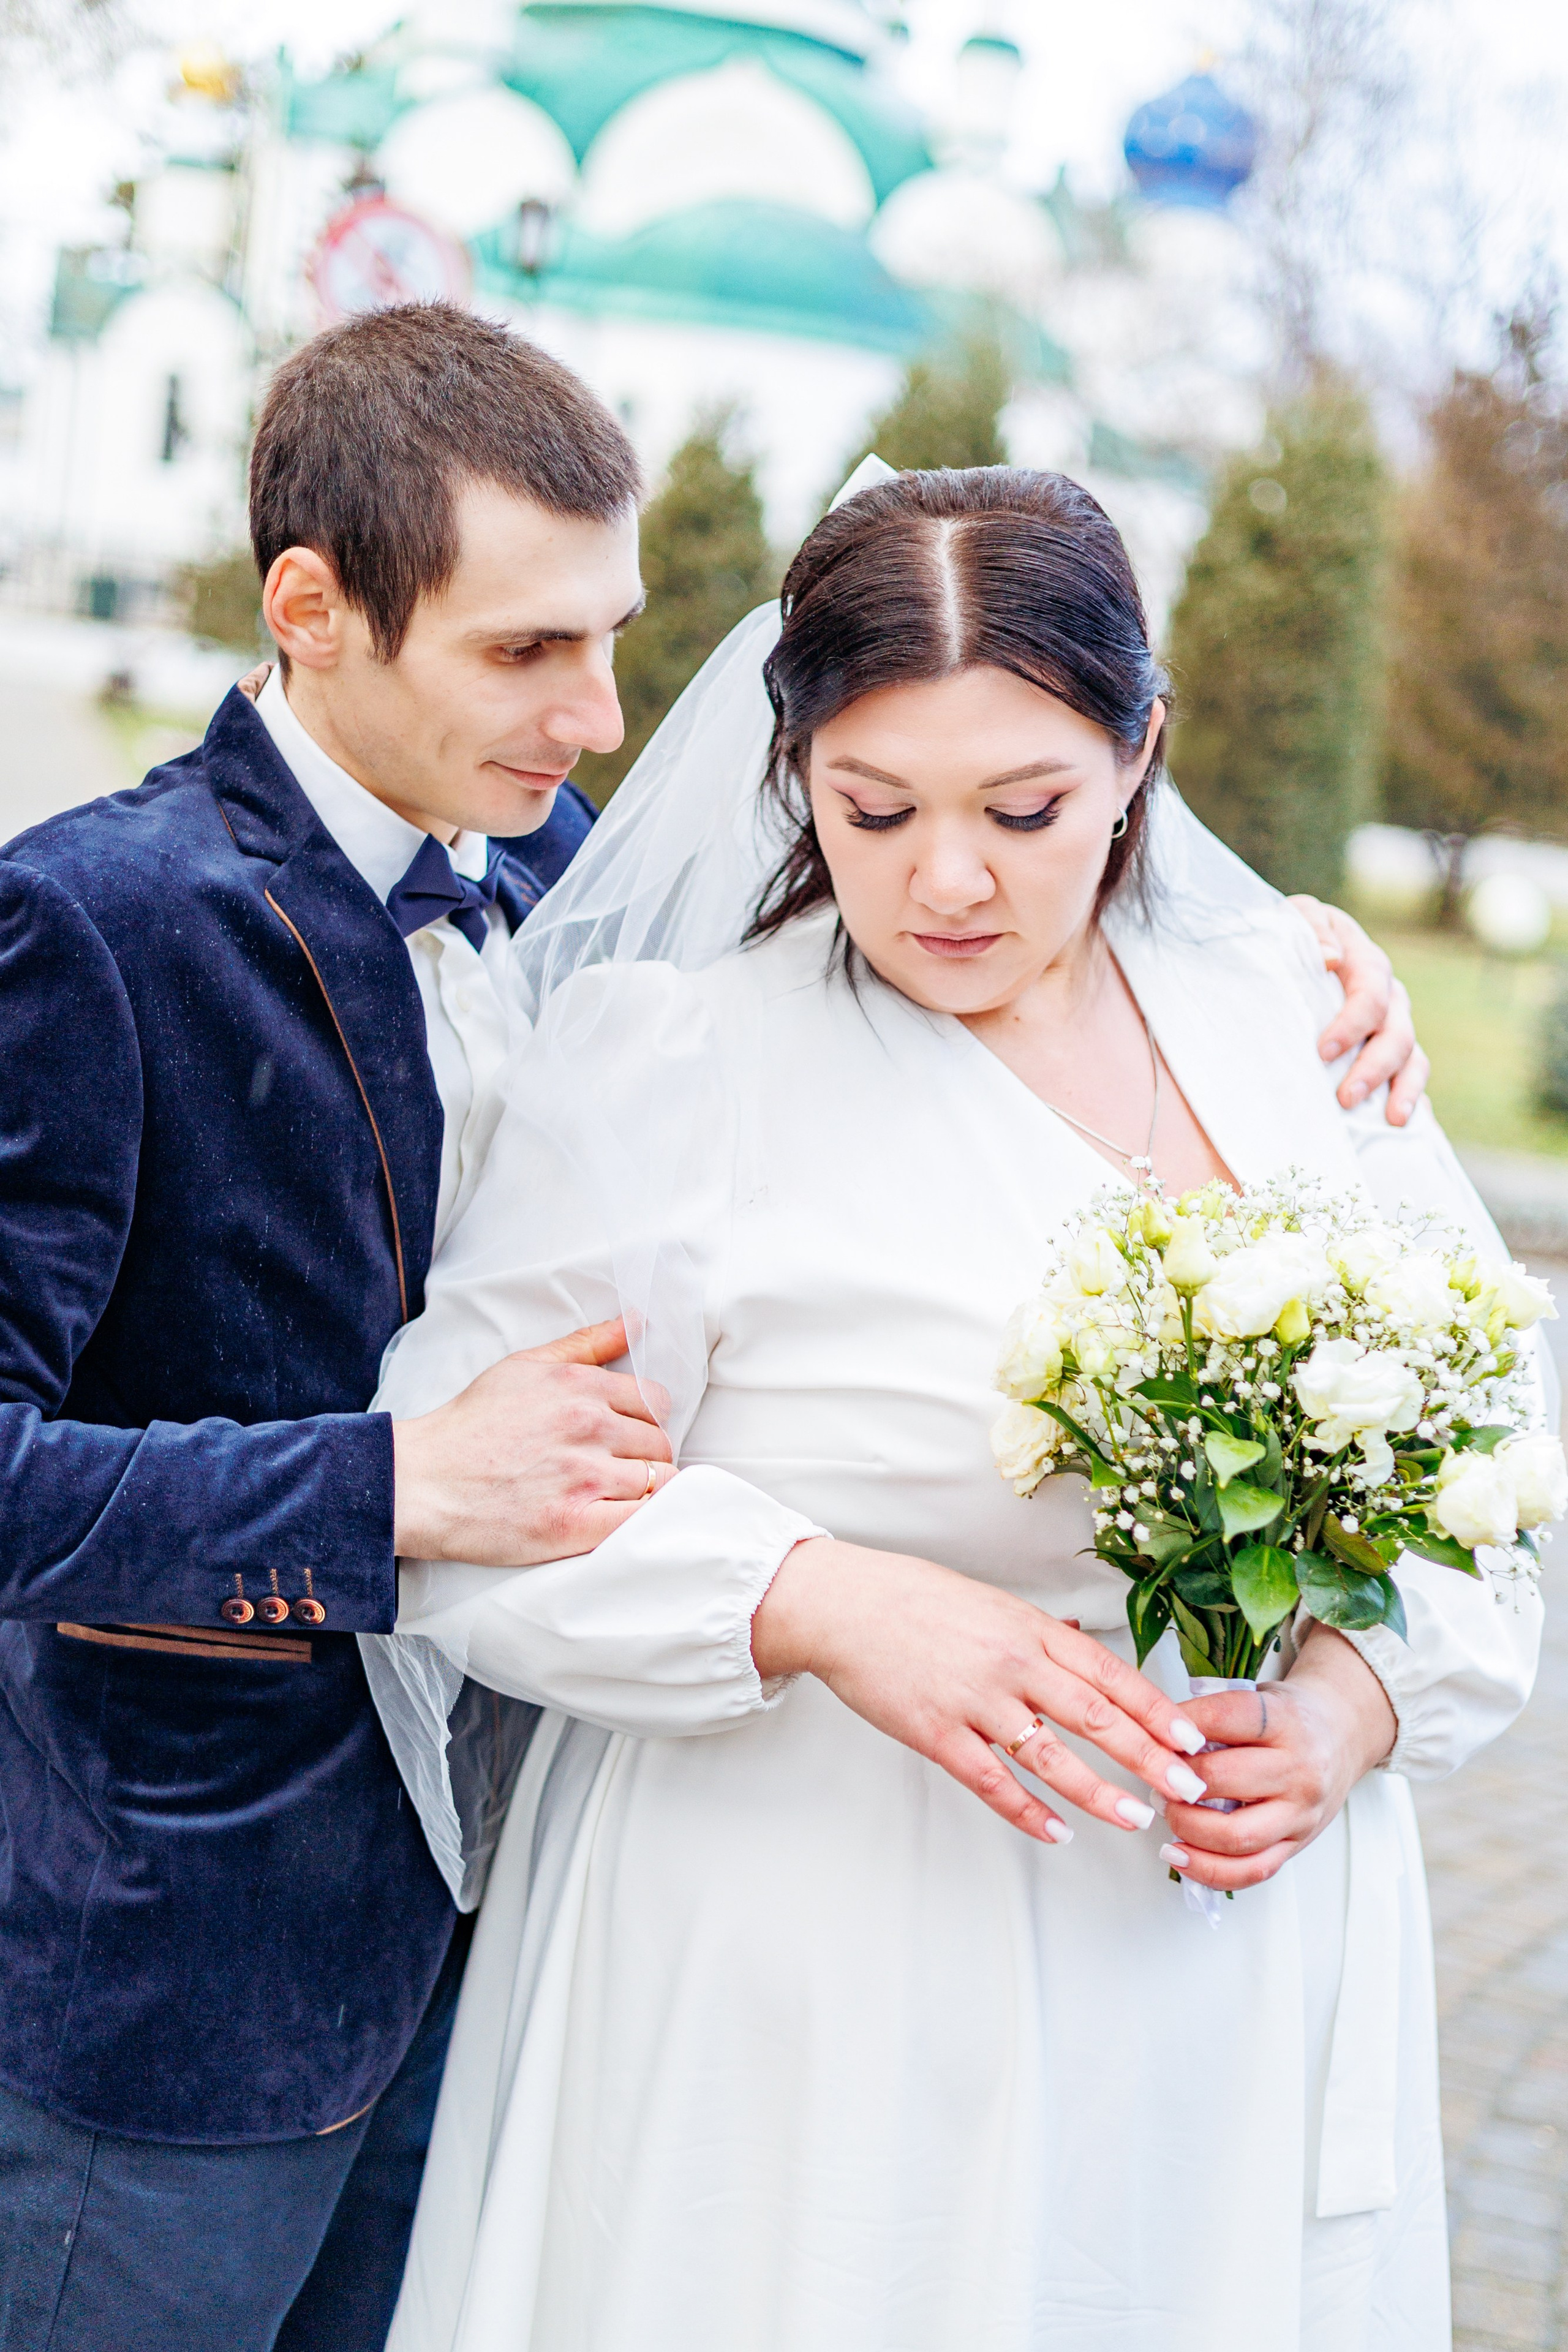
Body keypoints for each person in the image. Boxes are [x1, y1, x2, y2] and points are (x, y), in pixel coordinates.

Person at [374, 466, 1542, 2352]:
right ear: (794, 770)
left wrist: (1351, 1707)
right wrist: (814, 1600)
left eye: (1023, 810)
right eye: (873, 807)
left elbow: (1492, 1458)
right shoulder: (682, 1064)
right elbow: (464, 1516)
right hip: (817, 1987)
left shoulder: (1297, 1019)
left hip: (1226, 1995)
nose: (946, 881)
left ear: (1139, 754)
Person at [0, 304, 680, 2352]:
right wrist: (390, 1491)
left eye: (612, 637)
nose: (599, 716)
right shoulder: (88, 924)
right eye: (524, 649)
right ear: (312, 611)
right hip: (177, 1994)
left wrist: (1297, 969)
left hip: (494, 1944)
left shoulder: (566, 867)